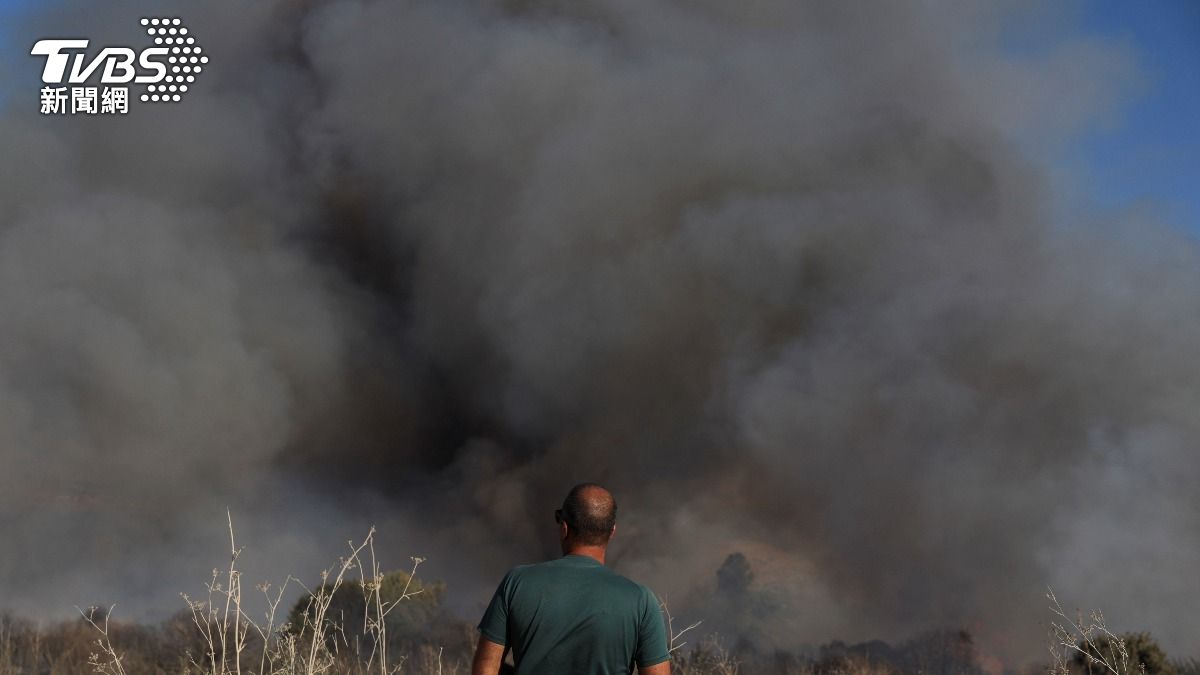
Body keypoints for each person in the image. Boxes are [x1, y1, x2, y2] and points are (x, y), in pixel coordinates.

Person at [471, 483, 671, 675]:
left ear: (564, 528)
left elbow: (485, 668)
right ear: (612, 532)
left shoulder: (517, 582)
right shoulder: (641, 601)